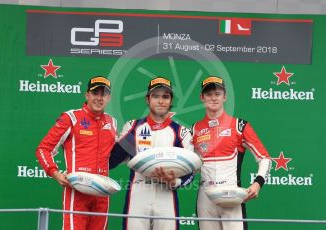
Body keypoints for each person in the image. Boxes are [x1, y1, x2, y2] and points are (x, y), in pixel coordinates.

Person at [109, 76, 193, 230]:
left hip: (166, 195)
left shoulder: (181, 132)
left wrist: (175, 182)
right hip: (138, 195)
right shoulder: (133, 126)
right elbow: (111, 161)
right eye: (155, 96)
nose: (160, 101)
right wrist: (132, 134)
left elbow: (191, 172)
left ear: (171, 100)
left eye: (165, 97)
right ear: (147, 99)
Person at [36, 76, 117, 230]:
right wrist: (55, 173)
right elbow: (43, 149)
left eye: (104, 94)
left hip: (102, 195)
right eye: (95, 93)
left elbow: (115, 155)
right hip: (77, 192)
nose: (99, 98)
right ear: (87, 95)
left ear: (109, 98)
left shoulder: (112, 122)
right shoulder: (71, 118)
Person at [192, 76, 271, 230]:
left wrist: (257, 183)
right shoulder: (195, 129)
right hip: (205, 197)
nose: (213, 98)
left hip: (232, 195)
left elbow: (265, 158)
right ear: (202, 97)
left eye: (218, 93)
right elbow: (192, 166)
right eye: (208, 94)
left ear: (225, 97)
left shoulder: (239, 126)